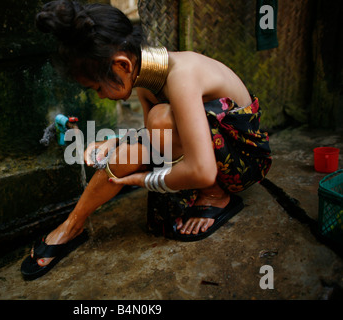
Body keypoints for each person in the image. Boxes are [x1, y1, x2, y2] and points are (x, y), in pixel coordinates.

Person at [21, 0, 272, 280]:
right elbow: (154, 143)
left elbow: (201, 169)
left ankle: (216, 195)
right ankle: (72, 226)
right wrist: (116, 143)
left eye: (97, 88)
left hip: (241, 160)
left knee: (160, 119)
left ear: (121, 65)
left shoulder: (181, 76)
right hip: (203, 150)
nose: (101, 96)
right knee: (132, 151)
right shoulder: (145, 77)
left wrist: (141, 180)